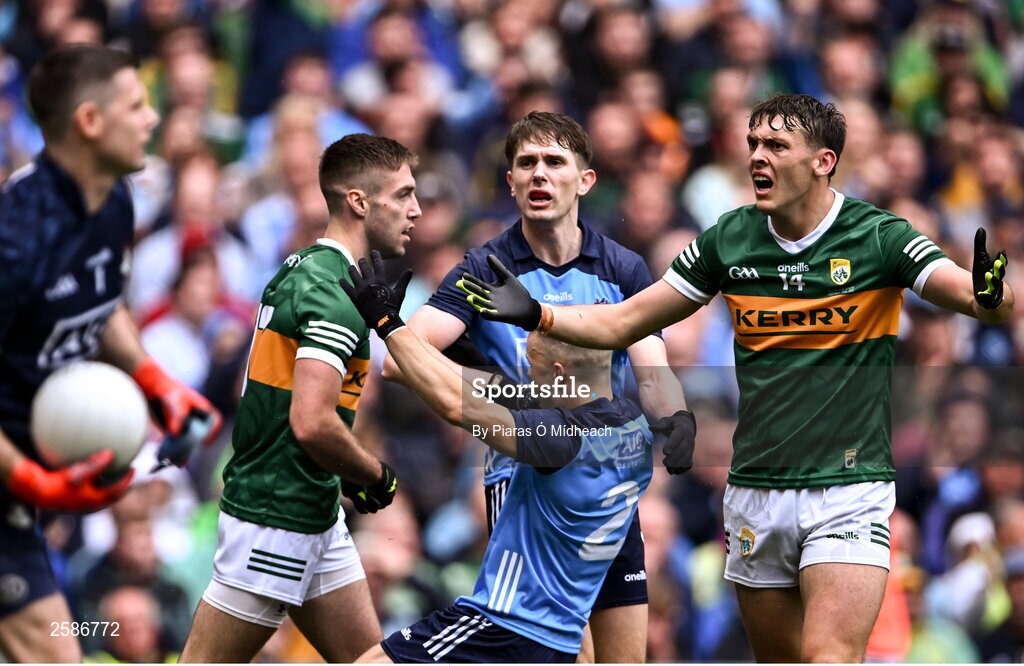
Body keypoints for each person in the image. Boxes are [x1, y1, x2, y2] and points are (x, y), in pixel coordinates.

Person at [459, 93, 1015, 662]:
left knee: (829, 657)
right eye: (753, 144)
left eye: (776, 146)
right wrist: (536, 314)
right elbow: (625, 320)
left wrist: (991, 297)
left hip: (849, 488)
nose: (757, 157)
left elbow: (973, 295)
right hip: (755, 493)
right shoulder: (728, 238)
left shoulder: (877, 235)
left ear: (823, 161)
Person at [382, 110, 694, 662]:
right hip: (526, 466)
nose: (538, 175)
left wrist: (673, 419)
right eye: (525, 164)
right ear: (510, 182)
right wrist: (503, 389)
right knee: (553, 648)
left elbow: (653, 368)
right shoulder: (488, 267)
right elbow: (401, 359)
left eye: (554, 162)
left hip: (602, 478)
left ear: (586, 180)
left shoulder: (621, 267)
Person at [0, 45, 221, 663]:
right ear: (90, 123)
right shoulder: (13, 239)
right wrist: (27, 476)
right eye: (135, 104)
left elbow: (103, 305)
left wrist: (156, 380)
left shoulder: (116, 202)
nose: (153, 118)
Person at [342, 252, 654, 663]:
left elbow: (458, 407)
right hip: (561, 640)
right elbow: (531, 402)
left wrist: (387, 324)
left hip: (504, 626)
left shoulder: (558, 440)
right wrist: (478, 362)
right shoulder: (634, 429)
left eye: (534, 366)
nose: (528, 374)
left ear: (559, 374)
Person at [179, 134, 419, 663]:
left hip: (313, 507)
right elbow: (311, 421)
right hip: (276, 516)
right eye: (402, 195)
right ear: (359, 201)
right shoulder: (331, 292)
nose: (415, 210)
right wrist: (374, 473)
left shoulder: (306, 267)